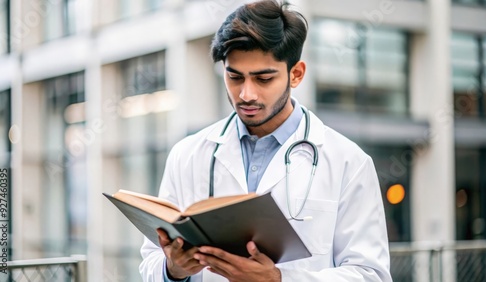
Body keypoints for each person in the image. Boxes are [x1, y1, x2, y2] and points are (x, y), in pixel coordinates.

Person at [140, 0, 392, 281]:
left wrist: (277, 280)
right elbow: (151, 259)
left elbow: (371, 275)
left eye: (263, 79)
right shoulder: (187, 154)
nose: (246, 94)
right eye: (235, 77)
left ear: (295, 74)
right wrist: (173, 270)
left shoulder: (348, 161)